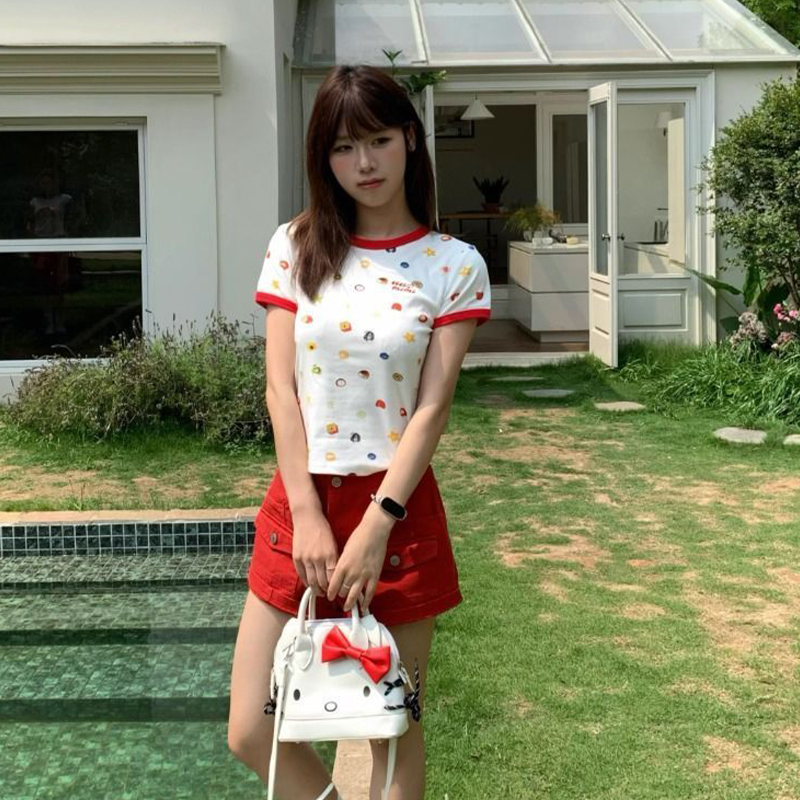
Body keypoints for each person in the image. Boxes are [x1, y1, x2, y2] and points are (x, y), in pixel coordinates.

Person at [228, 63, 492, 800]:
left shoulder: (453, 265)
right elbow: (280, 390)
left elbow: (432, 407)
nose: (364, 163)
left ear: (410, 138)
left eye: (377, 140)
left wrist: (379, 522)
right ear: (325, 159)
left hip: (396, 515)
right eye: (343, 148)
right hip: (300, 506)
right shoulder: (296, 245)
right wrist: (307, 512)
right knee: (250, 728)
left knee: (391, 731)